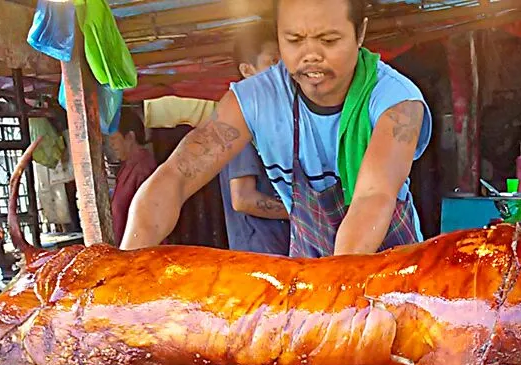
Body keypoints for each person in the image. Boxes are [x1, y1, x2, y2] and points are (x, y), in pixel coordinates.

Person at [121, 0, 432, 257]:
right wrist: (126, 266)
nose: (311, 55)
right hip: (308, 274)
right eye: (294, 40)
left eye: (329, 40)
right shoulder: (251, 101)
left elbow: (373, 196)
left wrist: (338, 292)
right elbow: (175, 176)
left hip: (392, 271)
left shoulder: (397, 102)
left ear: (360, 32)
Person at [220, 25, 291, 254]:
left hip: (282, 249)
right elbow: (242, 198)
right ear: (247, 70)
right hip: (261, 253)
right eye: (274, 60)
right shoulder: (242, 116)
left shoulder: (278, 115)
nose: (284, 68)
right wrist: (304, 214)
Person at [106, 111, 157, 243]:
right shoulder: (128, 166)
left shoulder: (143, 168)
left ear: (130, 137)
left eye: (114, 139)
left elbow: (151, 219)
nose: (111, 145)